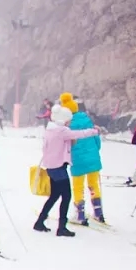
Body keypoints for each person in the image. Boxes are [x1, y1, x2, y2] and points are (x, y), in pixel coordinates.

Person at [34, 104, 99, 237]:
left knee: (54, 196)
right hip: (59, 168)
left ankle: (40, 221)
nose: (70, 123)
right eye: (68, 120)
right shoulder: (62, 131)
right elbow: (80, 134)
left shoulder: (50, 130)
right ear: (63, 120)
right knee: (66, 196)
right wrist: (94, 131)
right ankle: (61, 227)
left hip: (51, 167)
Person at [59, 93, 105, 225]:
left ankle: (80, 214)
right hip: (93, 158)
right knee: (93, 184)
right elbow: (96, 139)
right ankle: (98, 212)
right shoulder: (86, 119)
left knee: (78, 187)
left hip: (77, 160)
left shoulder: (66, 125)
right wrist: (95, 151)